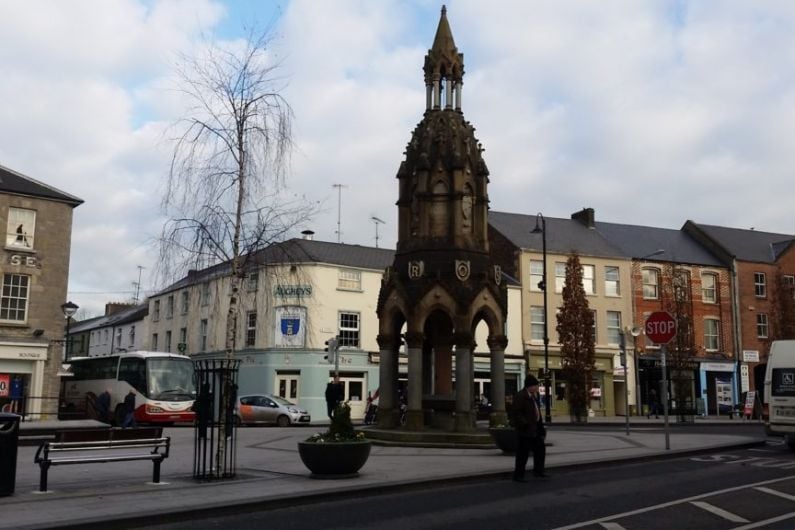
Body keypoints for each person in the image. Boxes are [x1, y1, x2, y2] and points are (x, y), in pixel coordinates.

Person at [511, 375, 548, 482]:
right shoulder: (520, 396)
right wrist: (525, 424)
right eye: (536, 385)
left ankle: (538, 471)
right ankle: (518, 475)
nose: (537, 388)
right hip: (525, 430)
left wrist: (540, 427)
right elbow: (516, 412)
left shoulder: (534, 396)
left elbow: (537, 412)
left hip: (535, 428)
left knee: (540, 450)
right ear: (530, 386)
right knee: (523, 454)